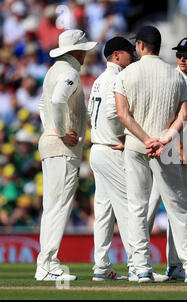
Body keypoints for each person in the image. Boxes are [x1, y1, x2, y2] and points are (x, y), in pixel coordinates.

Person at [114, 25, 187, 283]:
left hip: (137, 145)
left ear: (140, 45)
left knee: (137, 208)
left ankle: (141, 268)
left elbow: (122, 114)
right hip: (166, 146)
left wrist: (145, 139)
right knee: (178, 207)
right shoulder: (175, 76)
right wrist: (163, 138)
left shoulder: (127, 74)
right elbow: (183, 116)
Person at [35, 29, 97, 281]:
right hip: (61, 146)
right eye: (83, 49)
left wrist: (51, 129)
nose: (85, 54)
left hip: (50, 142)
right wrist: (60, 132)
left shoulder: (53, 70)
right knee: (58, 206)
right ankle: (48, 264)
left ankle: (45, 264)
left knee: (52, 206)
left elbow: (43, 105)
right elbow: (58, 101)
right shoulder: (69, 72)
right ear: (75, 51)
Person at [146, 36, 187, 280]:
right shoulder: (169, 78)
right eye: (179, 55)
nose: (181, 59)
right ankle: (138, 262)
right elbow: (165, 115)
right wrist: (175, 143)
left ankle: (175, 264)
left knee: (178, 209)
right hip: (163, 149)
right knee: (149, 207)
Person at [88, 36, 148, 281]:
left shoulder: (98, 80)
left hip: (97, 150)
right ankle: (137, 266)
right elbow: (117, 114)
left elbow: (94, 112)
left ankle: (101, 267)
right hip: (112, 151)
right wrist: (123, 138)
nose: (133, 56)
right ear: (115, 56)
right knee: (128, 209)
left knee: (103, 212)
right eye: (128, 53)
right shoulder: (118, 78)